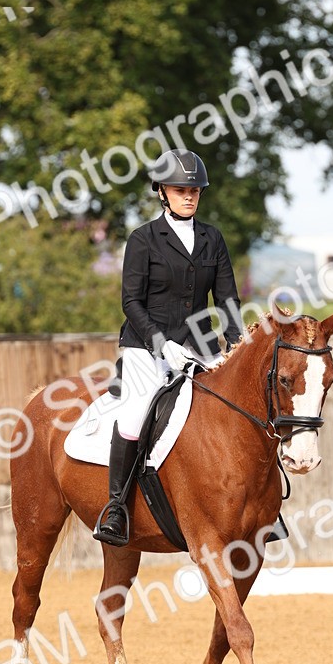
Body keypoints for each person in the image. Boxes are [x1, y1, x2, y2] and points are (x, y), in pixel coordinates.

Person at [93, 148, 242, 546]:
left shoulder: (213, 238)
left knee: (239, 409)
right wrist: (161, 344)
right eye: (180, 189)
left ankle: (255, 507)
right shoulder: (144, 239)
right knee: (136, 413)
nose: (189, 196)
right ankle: (116, 508)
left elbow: (226, 301)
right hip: (146, 346)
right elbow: (131, 303)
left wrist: (237, 345)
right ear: (162, 192)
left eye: (195, 189)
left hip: (200, 346)